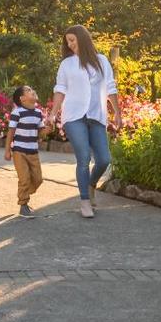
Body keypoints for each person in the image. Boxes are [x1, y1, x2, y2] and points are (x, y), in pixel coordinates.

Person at [48, 24, 120, 219]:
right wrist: (53, 113)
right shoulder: (67, 64)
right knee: (83, 159)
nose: (70, 44)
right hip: (74, 117)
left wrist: (118, 114)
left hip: (96, 115)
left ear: (83, 38)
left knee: (104, 159)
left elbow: (111, 88)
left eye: (72, 40)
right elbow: (60, 89)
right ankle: (85, 201)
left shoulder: (102, 61)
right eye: (67, 41)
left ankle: (91, 183)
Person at [6, 83, 45, 217]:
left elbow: (41, 134)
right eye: (28, 90)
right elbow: (11, 132)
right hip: (19, 152)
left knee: (38, 179)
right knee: (24, 179)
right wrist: (7, 150)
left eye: (32, 88)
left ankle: (24, 194)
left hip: (33, 152)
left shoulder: (39, 113)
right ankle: (23, 205)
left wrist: (48, 130)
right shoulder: (17, 113)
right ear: (22, 99)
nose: (32, 90)